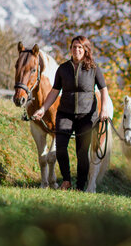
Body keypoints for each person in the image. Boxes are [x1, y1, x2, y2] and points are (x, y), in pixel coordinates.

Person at [32, 36, 110, 191]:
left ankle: (80, 186)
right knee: (60, 148)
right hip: (65, 114)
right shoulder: (63, 69)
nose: (77, 50)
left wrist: (104, 109)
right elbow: (55, 91)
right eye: (74, 47)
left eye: (80, 47)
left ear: (86, 50)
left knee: (82, 153)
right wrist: (43, 109)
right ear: (71, 49)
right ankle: (66, 180)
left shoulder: (93, 69)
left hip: (86, 116)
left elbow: (103, 90)